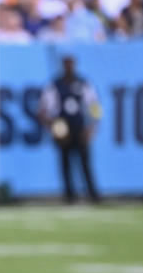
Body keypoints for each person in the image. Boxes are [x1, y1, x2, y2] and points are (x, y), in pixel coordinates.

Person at [40, 55, 102, 203]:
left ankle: (93, 195)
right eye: (66, 64)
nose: (69, 67)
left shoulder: (84, 83)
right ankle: (69, 196)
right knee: (65, 164)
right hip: (63, 129)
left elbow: (94, 107)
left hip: (79, 128)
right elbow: (43, 111)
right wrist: (54, 128)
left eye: (71, 64)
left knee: (85, 164)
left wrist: (91, 127)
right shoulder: (54, 85)